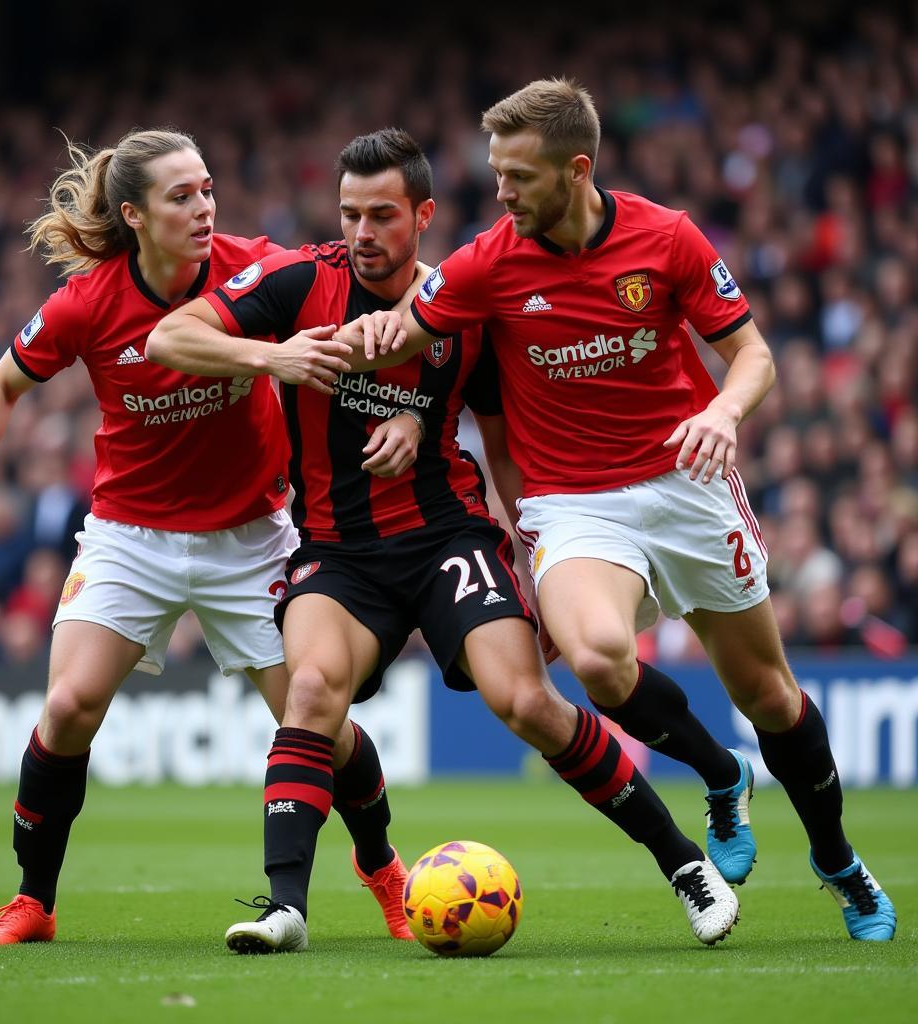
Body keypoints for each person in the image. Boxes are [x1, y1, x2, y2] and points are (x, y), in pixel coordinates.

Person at [146, 127, 741, 954]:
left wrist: (513, 528)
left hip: (447, 539)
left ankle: (684, 864)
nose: (362, 232)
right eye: (350, 213)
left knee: (528, 703)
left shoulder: (468, 305)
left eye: (382, 215)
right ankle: (286, 908)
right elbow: (168, 339)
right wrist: (273, 356)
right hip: (338, 552)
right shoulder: (296, 282)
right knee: (312, 690)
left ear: (422, 215)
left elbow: (502, 442)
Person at [355, 79, 896, 941]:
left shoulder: (666, 238)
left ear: (576, 171)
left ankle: (835, 858)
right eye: (496, 173)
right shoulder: (490, 260)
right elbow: (407, 331)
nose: (500, 192)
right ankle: (721, 777)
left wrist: (721, 411)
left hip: (686, 483)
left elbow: (752, 354)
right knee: (598, 658)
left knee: (770, 696)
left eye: (518, 177)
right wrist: (320, 366)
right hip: (574, 502)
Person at [0, 127, 415, 947]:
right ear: (133, 214)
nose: (204, 208)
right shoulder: (88, 302)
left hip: (253, 536)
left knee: (320, 723)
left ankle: (385, 871)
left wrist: (411, 404)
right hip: (132, 537)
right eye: (181, 196)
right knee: (66, 707)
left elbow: (396, 292)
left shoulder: (256, 265)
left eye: (206, 189)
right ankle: (32, 902)